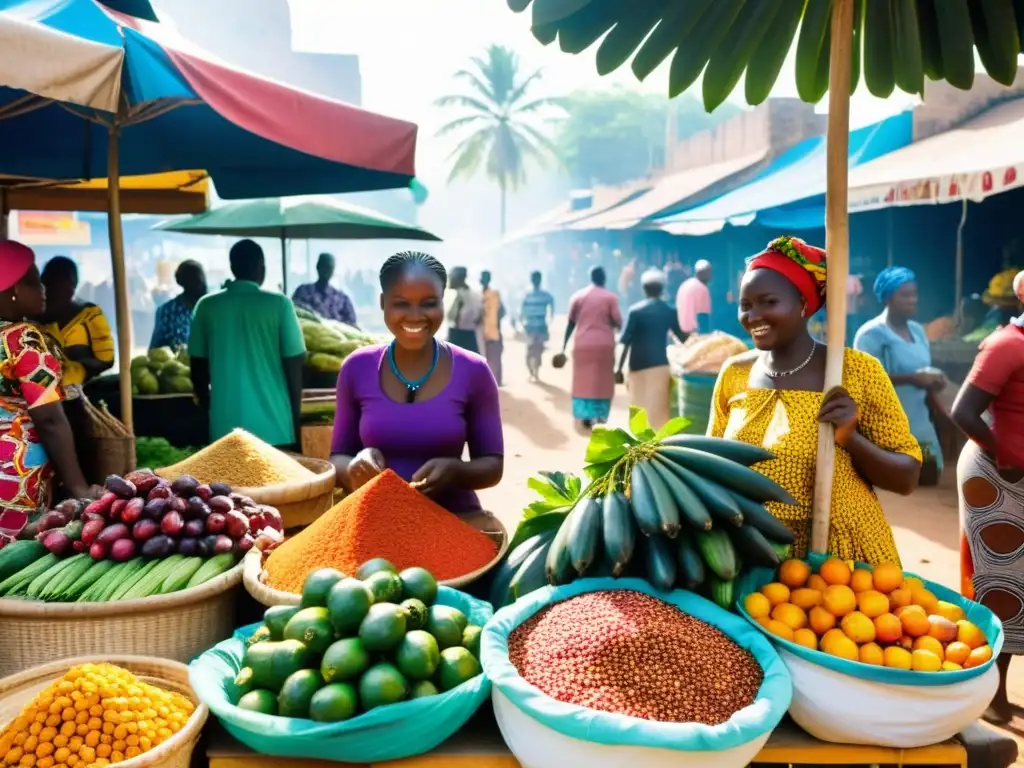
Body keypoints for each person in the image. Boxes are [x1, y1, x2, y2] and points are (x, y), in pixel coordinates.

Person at [710, 236, 921, 563]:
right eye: (746, 304)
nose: (753, 316)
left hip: (839, 558)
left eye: (768, 302)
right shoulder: (734, 373)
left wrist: (850, 439)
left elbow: (907, 478)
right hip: (749, 553)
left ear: (804, 305)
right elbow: (712, 466)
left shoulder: (855, 372)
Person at [330, 251, 503, 513]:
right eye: (400, 303)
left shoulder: (474, 370)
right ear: (382, 302)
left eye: (428, 303)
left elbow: (493, 465)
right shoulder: (356, 368)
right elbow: (338, 457)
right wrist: (354, 468)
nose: (415, 315)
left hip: (456, 525)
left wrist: (456, 471)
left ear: (443, 302)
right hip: (374, 526)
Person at [950, 269, 1024, 725]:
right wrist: (1007, 455)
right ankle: (988, 697)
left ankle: (995, 693)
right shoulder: (1006, 346)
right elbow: (963, 412)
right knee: (1001, 584)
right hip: (996, 476)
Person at [0, 241, 98, 519]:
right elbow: (50, 419)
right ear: (15, 290)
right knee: (15, 560)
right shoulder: (23, 339)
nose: (43, 289)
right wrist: (79, 486)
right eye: (34, 281)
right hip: (13, 477)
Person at [189, 239, 305, 448]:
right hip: (275, 428)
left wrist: (211, 408)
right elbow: (294, 366)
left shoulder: (207, 306)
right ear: (262, 266)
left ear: (232, 267)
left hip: (224, 429)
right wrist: (295, 419)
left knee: (230, 481)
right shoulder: (279, 304)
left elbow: (197, 368)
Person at [854, 267, 945, 473]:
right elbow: (864, 380)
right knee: (896, 483)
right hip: (887, 425)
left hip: (921, 422)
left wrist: (934, 384)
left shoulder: (918, 331)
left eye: (914, 294)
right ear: (887, 298)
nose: (912, 300)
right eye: (905, 295)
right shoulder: (871, 334)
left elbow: (923, 370)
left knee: (929, 478)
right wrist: (911, 379)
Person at [616, 268, 688, 430]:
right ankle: (657, 449)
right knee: (658, 412)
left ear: (644, 289)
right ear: (662, 289)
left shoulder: (635, 311)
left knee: (638, 409)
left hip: (637, 366)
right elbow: (682, 338)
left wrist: (619, 369)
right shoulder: (669, 311)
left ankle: (638, 447)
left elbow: (626, 342)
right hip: (659, 366)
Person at [562, 265, 622, 433]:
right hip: (604, 344)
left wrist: (563, 346)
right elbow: (618, 321)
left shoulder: (578, 296)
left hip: (583, 344)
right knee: (603, 380)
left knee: (583, 380)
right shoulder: (611, 298)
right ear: (604, 279)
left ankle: (585, 416)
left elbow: (571, 323)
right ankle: (601, 415)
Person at [38, 257, 114, 388]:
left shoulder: (90, 315)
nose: (58, 288)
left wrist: (77, 371)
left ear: (73, 286)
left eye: (67, 282)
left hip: (87, 393)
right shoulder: (33, 319)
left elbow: (106, 359)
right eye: (52, 281)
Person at [149, 260, 207, 350]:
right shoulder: (167, 311)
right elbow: (155, 350)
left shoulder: (212, 308)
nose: (200, 284)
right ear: (181, 282)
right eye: (194, 280)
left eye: (200, 279)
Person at [292, 252, 358, 326]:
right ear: (318, 267)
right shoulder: (303, 292)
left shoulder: (343, 299)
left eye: (330, 267)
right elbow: (293, 316)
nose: (326, 270)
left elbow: (352, 325)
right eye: (324, 266)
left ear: (333, 271)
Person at [520, 270, 555, 381]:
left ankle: (535, 371)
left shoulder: (532, 295)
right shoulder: (528, 295)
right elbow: (521, 311)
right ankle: (532, 370)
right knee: (531, 349)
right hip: (531, 326)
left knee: (537, 349)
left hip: (538, 325)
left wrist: (550, 319)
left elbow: (552, 306)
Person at [446, 266, 482, 354]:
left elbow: (454, 318)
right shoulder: (474, 295)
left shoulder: (463, 297)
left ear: (458, 278)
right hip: (469, 337)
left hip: (460, 337)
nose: (449, 280)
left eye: (451, 276)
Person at [480, 270, 505, 386]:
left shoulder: (493, 294)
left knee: (492, 361)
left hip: (489, 334)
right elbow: (502, 311)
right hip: (485, 334)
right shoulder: (479, 296)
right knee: (491, 361)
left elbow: (502, 311)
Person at [676, 259, 713, 335]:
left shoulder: (684, 285)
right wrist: (706, 335)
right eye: (709, 272)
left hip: (680, 332)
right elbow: (703, 316)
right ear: (703, 273)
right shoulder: (702, 288)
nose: (710, 275)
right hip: (694, 333)